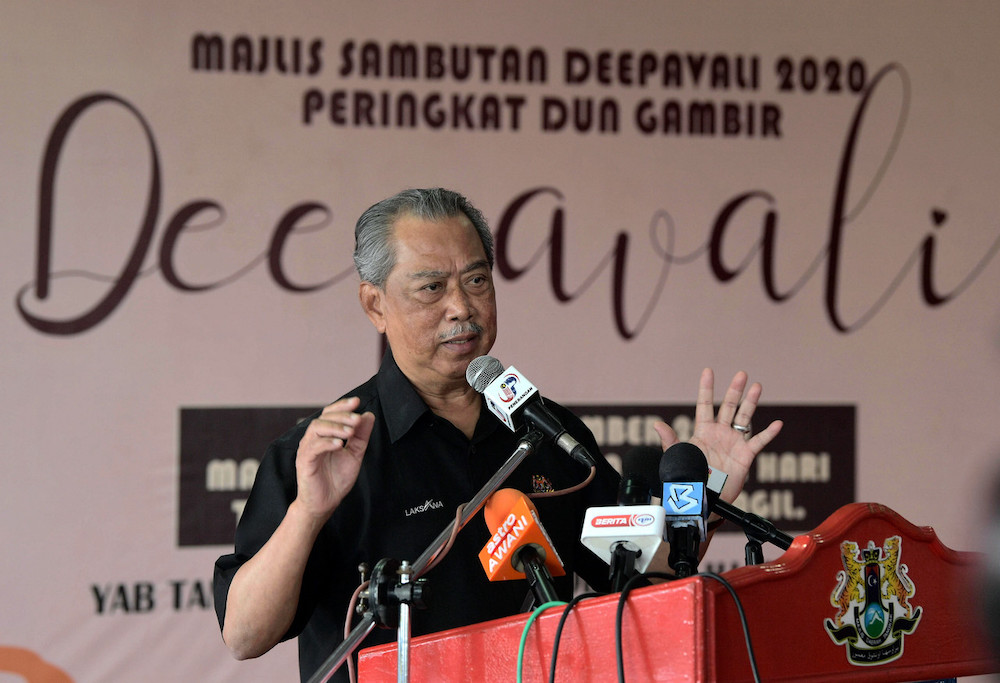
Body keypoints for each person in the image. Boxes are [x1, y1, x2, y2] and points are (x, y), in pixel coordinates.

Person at [213, 187, 783, 682]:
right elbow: (244, 635)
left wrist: (696, 503)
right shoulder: (328, 452)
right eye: (431, 288)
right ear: (374, 304)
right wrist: (309, 512)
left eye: (477, 280)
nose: (461, 307)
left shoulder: (548, 434)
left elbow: (639, 584)